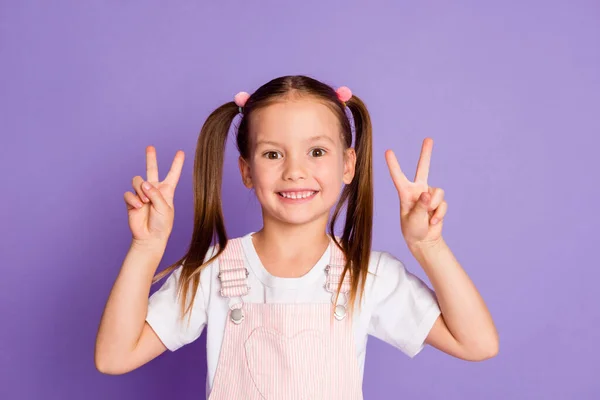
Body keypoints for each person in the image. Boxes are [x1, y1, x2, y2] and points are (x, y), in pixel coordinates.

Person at [95, 75, 498, 399]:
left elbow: (477, 344)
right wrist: (146, 247)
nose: (295, 171)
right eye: (273, 154)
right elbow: (114, 357)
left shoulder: (367, 275)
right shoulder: (212, 271)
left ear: (348, 163)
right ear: (246, 170)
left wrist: (428, 246)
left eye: (317, 152)